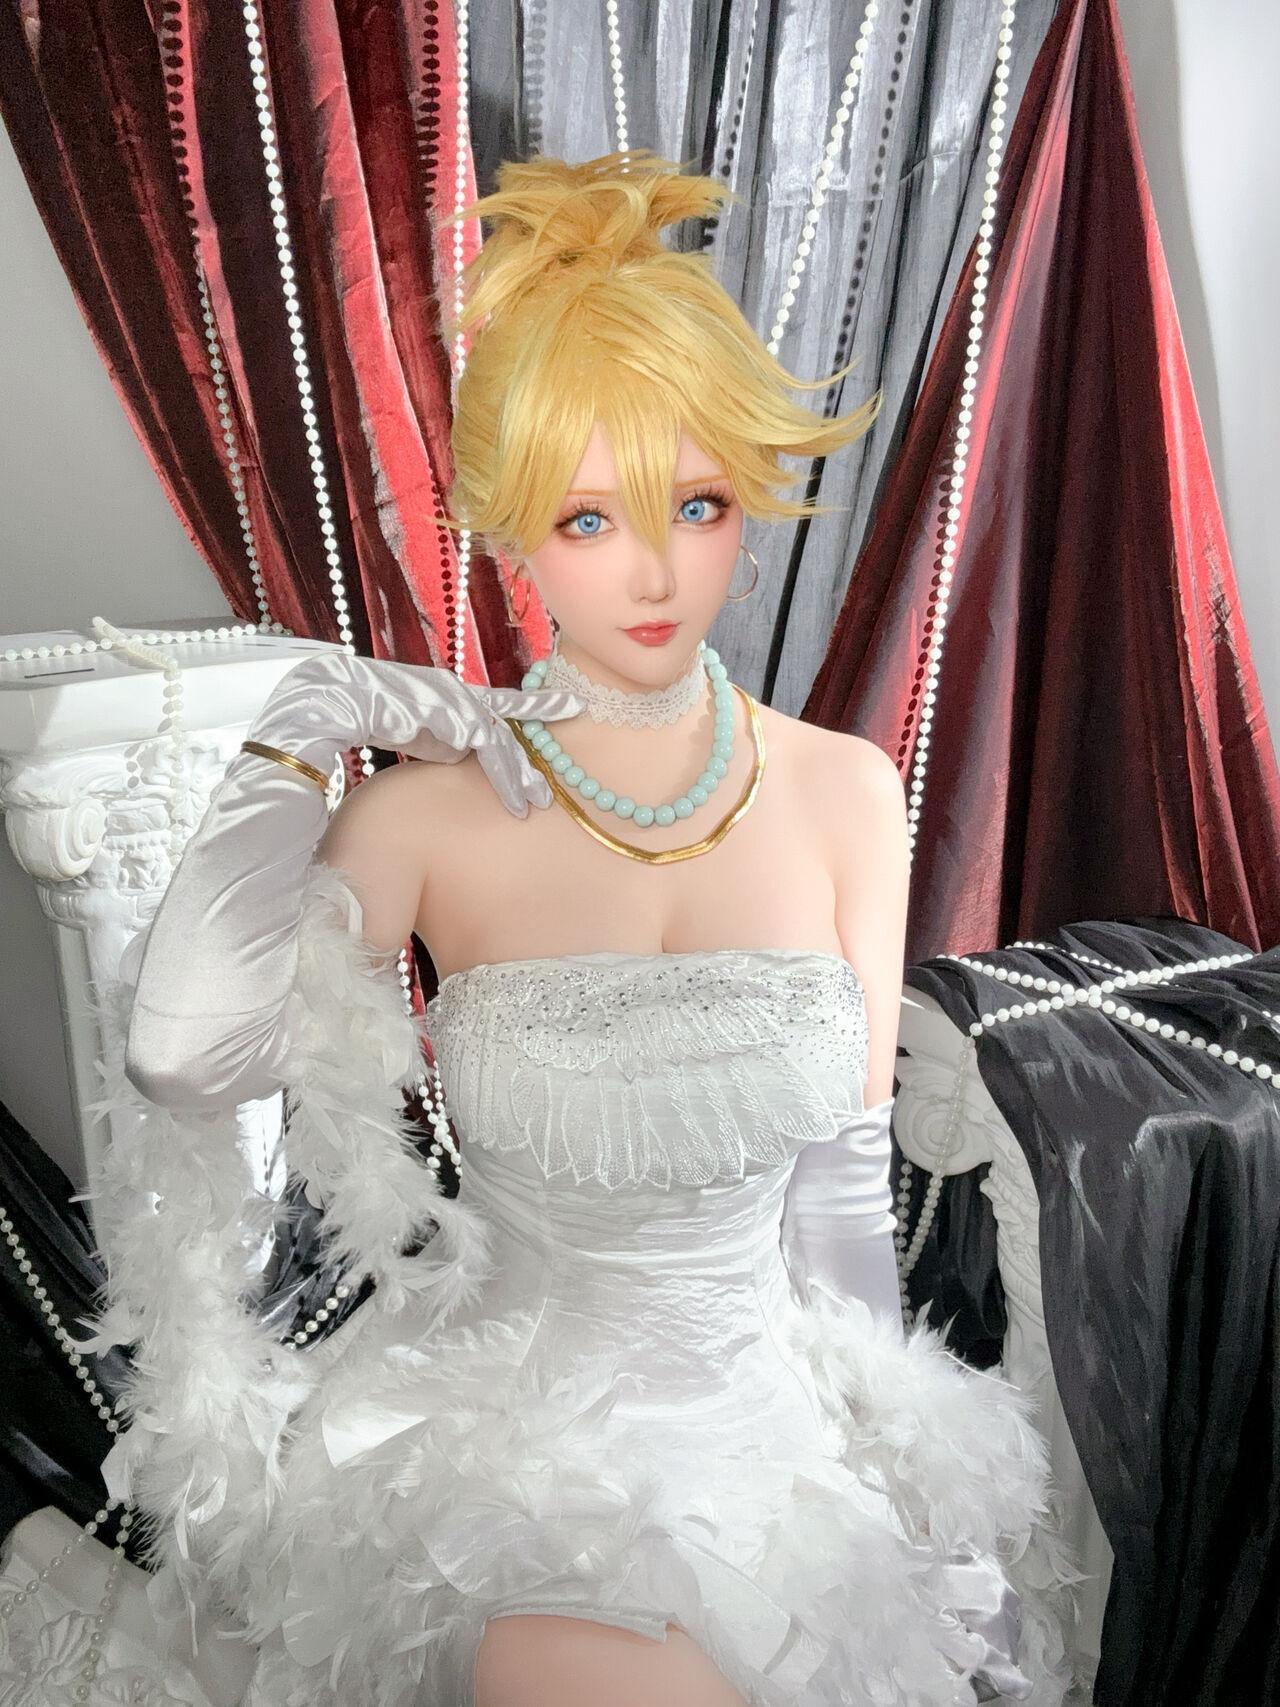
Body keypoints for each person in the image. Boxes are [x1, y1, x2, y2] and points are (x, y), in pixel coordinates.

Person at [104, 150, 1077, 1706]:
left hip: (777, 1446)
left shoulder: (845, 792)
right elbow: (179, 1062)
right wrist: (302, 725)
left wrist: (902, 1488)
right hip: (514, 1474)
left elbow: (838, 1212)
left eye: (696, 503)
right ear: (512, 533)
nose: (653, 570)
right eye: (586, 516)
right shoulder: (430, 817)